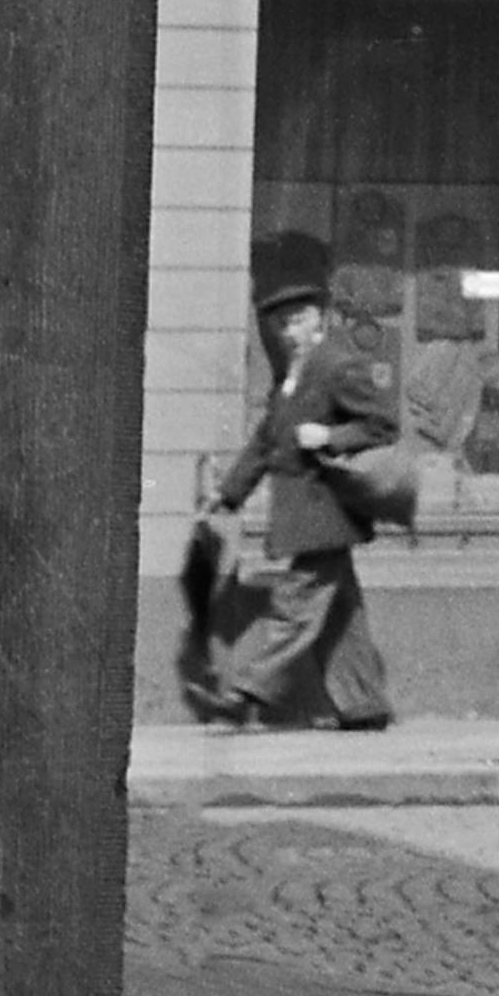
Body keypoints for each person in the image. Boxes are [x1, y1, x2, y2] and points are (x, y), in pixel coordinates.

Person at [183, 229, 402, 732]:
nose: (290, 331)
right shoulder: (291, 377)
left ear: (321, 319)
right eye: (282, 322)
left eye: (299, 319)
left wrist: (329, 433)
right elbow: (264, 443)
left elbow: (382, 424)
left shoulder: (339, 366)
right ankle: (363, 704)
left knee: (294, 608)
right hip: (306, 514)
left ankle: (243, 695)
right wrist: (227, 493)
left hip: (324, 513)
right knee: (340, 614)